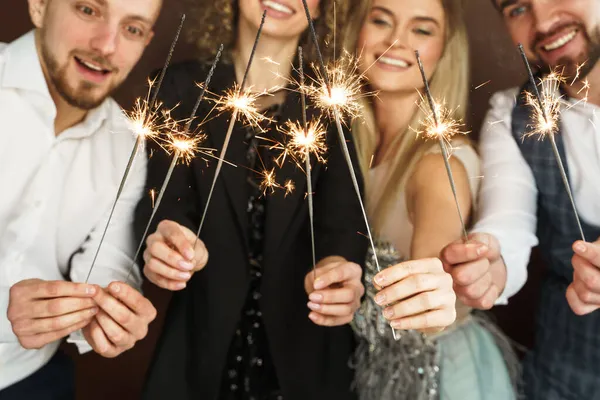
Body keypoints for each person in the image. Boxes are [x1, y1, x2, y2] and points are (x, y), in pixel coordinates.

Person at [135, 0, 369, 399]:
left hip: (306, 362)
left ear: (321, 9)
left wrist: (338, 268)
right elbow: (164, 203)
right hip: (199, 356)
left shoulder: (331, 104)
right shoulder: (177, 87)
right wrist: (168, 241)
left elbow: (344, 223)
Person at [345, 0, 518, 398]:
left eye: (422, 30)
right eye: (381, 20)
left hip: (436, 376)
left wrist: (434, 290)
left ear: (445, 51)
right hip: (367, 366)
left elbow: (434, 286)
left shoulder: (438, 165)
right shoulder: (348, 150)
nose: (395, 40)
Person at [0, 0, 162, 398]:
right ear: (39, 6)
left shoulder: (127, 144)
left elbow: (108, 262)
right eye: (88, 10)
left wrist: (110, 312)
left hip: (29, 377)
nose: (106, 45)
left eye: (133, 29)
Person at [441, 0, 600, 399]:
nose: (543, 21)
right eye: (517, 8)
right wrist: (490, 266)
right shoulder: (513, 113)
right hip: (564, 371)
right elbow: (506, 226)